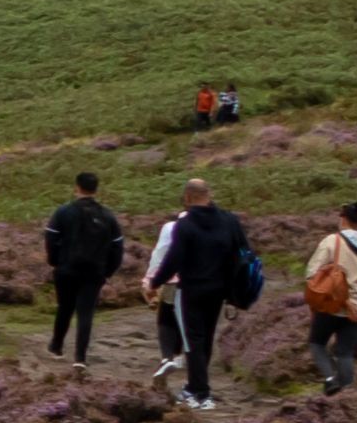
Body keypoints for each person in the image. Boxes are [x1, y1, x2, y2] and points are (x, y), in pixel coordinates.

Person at [138, 177, 262, 410]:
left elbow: (173, 260)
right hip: (220, 290)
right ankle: (195, 388)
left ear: (187, 198)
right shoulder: (229, 221)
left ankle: (200, 394)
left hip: (191, 290)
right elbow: (245, 253)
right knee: (206, 337)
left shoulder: (185, 225)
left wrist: (154, 282)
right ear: (209, 194)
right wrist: (235, 291)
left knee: (192, 340)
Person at [303, 197, 357, 401]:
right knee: (345, 352)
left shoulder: (332, 241)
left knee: (317, 343)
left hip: (330, 306)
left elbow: (311, 273)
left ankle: (331, 379)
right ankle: (348, 399)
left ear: (344, 219)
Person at [41, 171, 124, 362]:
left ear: (77, 187)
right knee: (86, 312)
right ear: (96, 189)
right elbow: (117, 247)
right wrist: (108, 271)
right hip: (95, 272)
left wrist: (54, 261)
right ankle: (80, 358)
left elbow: (50, 237)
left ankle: (56, 346)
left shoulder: (64, 212)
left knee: (65, 307)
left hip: (66, 270)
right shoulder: (107, 216)